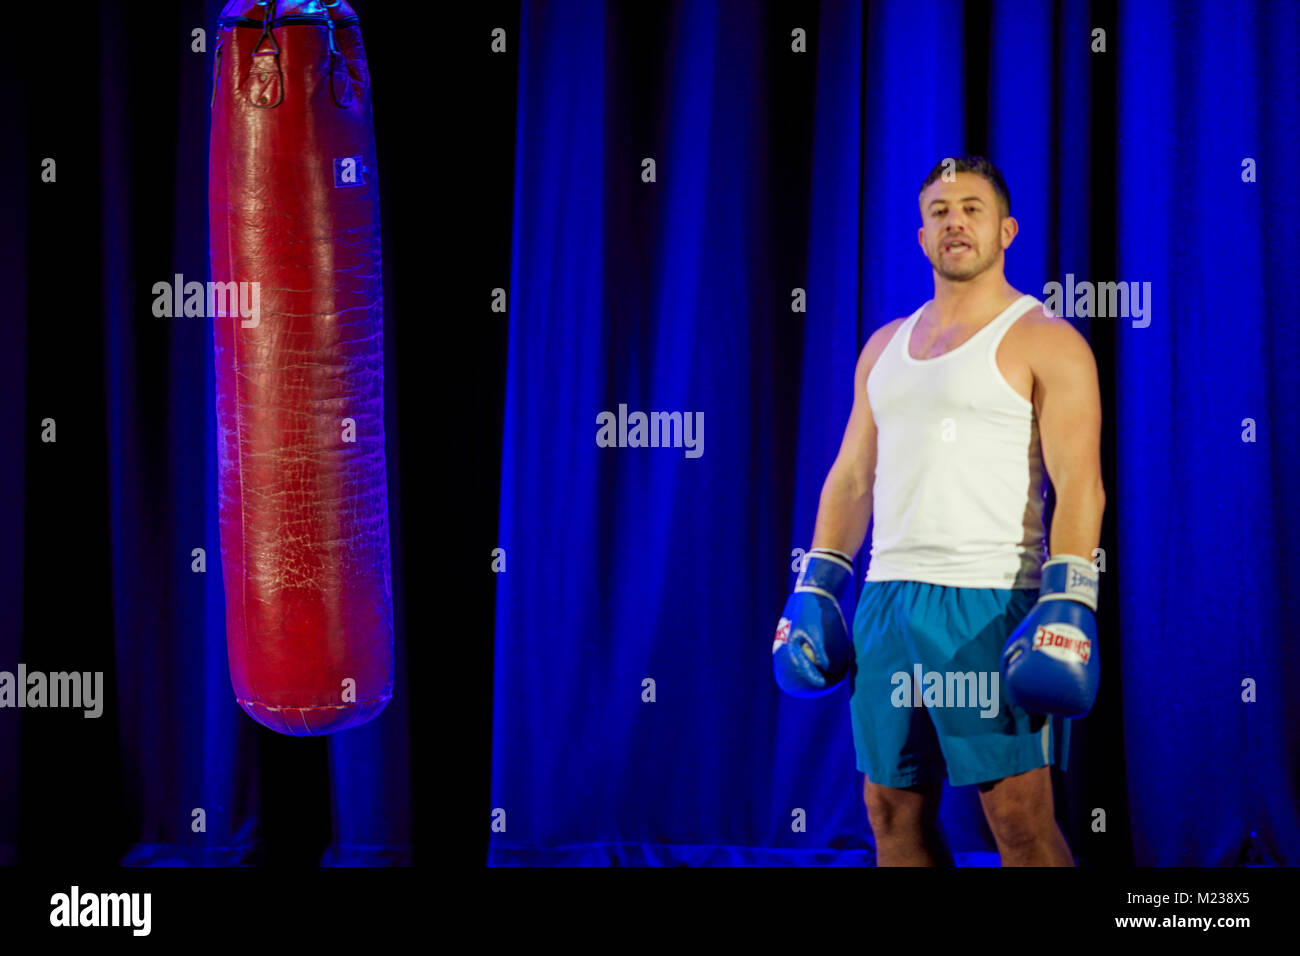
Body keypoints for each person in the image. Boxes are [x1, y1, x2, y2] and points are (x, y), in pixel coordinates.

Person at [805, 156, 1104, 866]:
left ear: (1006, 230)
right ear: (921, 237)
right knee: (888, 811)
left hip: (990, 603)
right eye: (939, 211)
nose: (954, 222)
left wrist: (1070, 598)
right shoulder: (883, 346)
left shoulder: (1046, 338)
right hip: (886, 603)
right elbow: (851, 478)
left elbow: (1080, 483)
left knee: (1018, 820)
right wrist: (818, 583)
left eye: (971, 208)